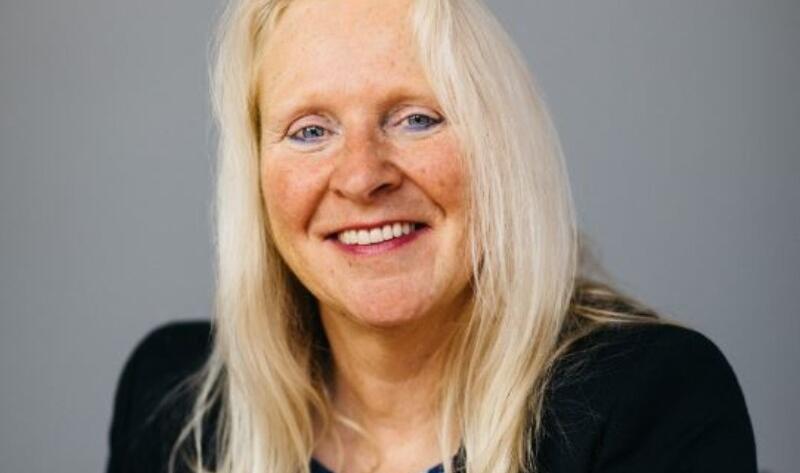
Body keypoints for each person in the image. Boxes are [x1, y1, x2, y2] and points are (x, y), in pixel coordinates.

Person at [105, 0, 757, 472]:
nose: (362, 175)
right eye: (310, 131)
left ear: (498, 148)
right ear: (254, 176)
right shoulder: (172, 402)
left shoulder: (650, 401)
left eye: (416, 118)